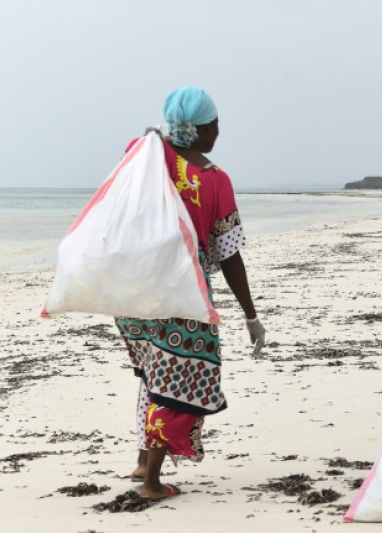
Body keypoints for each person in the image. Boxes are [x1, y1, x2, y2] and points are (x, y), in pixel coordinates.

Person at [115, 87, 266, 500]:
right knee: (179, 380)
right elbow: (228, 254)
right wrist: (251, 315)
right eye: (215, 124)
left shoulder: (142, 152)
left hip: (132, 294)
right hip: (181, 296)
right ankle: (151, 484)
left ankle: (144, 460)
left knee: (152, 372)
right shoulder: (214, 179)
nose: (218, 132)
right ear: (203, 129)